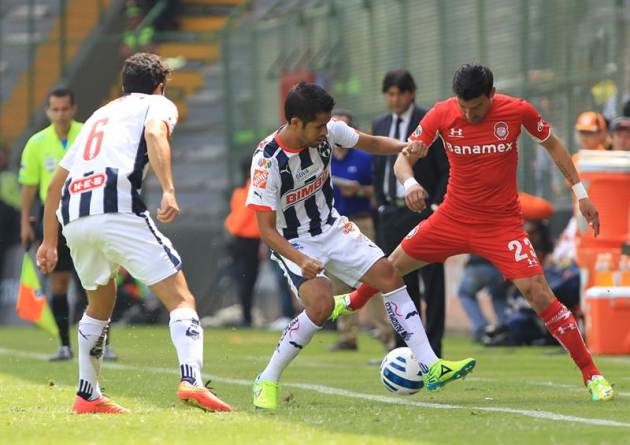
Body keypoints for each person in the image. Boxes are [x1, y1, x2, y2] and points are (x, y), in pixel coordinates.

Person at [334, 64, 614, 401]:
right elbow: (402, 160)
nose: (469, 114)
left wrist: (581, 194)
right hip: (452, 217)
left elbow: (553, 145)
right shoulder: (442, 114)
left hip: (501, 224)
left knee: (539, 294)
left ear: (492, 95)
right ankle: (350, 302)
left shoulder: (517, 110)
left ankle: (592, 375)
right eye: (464, 107)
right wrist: (409, 183)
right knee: (389, 266)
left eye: (477, 107)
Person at [247, 81, 475, 410]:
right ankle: (267, 378)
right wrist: (300, 259)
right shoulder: (267, 161)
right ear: (295, 122)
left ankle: (431, 366)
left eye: (327, 124)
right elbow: (266, 230)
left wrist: (409, 147)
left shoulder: (329, 131)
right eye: (319, 125)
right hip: (294, 239)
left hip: (332, 226)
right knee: (321, 306)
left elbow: (372, 143)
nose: (326, 131)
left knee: (389, 276)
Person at [36, 52, 232, 414]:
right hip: (115, 207)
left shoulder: (98, 115)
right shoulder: (157, 104)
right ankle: (191, 379)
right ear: (159, 86)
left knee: (100, 301)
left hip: (75, 215)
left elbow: (53, 186)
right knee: (182, 299)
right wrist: (169, 189)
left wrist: (49, 241)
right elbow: (156, 132)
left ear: (124, 84)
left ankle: (87, 394)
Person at [19, 87, 117, 362]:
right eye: (55, 109)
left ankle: (103, 344)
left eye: (65, 109)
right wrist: (25, 221)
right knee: (59, 282)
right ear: (48, 111)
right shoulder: (36, 143)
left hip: (87, 212)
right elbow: (29, 187)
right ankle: (64, 345)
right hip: (54, 218)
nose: (60, 114)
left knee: (96, 279)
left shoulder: (90, 134)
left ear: (73, 109)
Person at [372, 69, 449, 355]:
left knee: (432, 280)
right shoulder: (379, 123)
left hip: (423, 212)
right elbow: (378, 167)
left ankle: (435, 347)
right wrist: (380, 203)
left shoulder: (428, 121)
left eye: (399, 93)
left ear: (411, 93)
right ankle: (406, 349)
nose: (394, 99)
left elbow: (444, 168)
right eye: (389, 94)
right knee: (397, 282)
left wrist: (436, 206)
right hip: (390, 213)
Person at [328, 110, 394, 352]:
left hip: (361, 221)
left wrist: (358, 190)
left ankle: (385, 332)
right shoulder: (324, 158)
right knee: (337, 283)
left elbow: (377, 193)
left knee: (372, 277)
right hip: (333, 226)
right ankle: (347, 335)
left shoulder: (364, 158)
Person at [456, 255, 509, 342]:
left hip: (478, 265)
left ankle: (481, 327)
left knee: (465, 294)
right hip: (500, 269)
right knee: (499, 297)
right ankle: (503, 329)